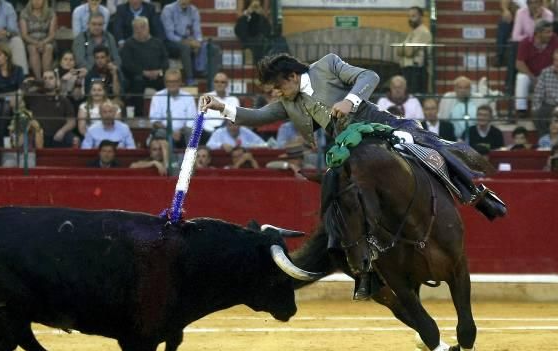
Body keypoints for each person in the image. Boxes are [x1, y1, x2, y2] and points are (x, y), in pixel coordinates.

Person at [200, 52, 507, 300]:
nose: (276, 94)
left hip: (380, 126)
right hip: (346, 147)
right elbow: (257, 116)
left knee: (427, 149)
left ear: (292, 76)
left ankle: (477, 194)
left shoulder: (327, 66)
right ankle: (361, 267)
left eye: (277, 87)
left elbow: (368, 76)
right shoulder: (289, 103)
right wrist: (220, 107)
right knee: (334, 195)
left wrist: (350, 100)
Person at [119, 15, 169, 116]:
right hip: (137, 77)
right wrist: (143, 72)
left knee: (166, 83)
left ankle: (165, 113)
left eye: (142, 27)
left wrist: (159, 71)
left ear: (148, 28)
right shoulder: (129, 44)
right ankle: (139, 115)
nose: (139, 30)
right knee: (137, 83)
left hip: (157, 76)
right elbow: (127, 64)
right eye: (136, 28)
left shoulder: (157, 43)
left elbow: (165, 61)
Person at [515, 19, 558, 116]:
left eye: (551, 31)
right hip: (532, 76)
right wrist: (533, 78)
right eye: (547, 32)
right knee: (521, 78)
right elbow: (519, 63)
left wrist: (546, 75)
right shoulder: (526, 42)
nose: (550, 34)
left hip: (549, 75)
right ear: (538, 33)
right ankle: (521, 110)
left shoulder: (554, 39)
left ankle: (548, 110)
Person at [22, 70, 77, 147]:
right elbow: (14, 104)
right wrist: (24, 86)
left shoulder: (63, 100)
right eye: (45, 78)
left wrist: (62, 131)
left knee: (74, 140)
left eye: (51, 78)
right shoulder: (33, 96)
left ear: (56, 81)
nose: (47, 81)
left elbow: (72, 122)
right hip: (38, 134)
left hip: (58, 134)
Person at [149, 68, 196, 148]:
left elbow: (191, 121)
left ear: (180, 82)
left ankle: (190, 159)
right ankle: (168, 160)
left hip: (183, 132)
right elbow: (155, 121)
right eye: (169, 82)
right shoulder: (158, 96)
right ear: (165, 83)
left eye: (175, 81)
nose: (172, 84)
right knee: (160, 133)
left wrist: (179, 131)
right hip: (165, 130)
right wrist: (170, 132)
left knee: (192, 132)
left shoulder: (188, 97)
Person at [396, 6, 431, 95]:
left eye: (414, 16)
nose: (411, 19)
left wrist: (403, 48)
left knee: (414, 96)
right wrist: (404, 48)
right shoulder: (412, 33)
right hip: (409, 69)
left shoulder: (423, 32)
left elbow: (409, 52)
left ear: (421, 17)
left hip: (417, 70)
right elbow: (398, 51)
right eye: (410, 16)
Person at [19, 0, 56, 79]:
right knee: (32, 48)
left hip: (47, 40)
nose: (36, 1)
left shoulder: (50, 13)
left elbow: (52, 34)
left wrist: (42, 43)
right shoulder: (24, 13)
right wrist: (36, 43)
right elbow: (24, 35)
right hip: (30, 41)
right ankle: (39, 80)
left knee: (48, 47)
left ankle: (46, 77)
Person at [201, 72, 240, 137]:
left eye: (222, 82)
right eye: (216, 82)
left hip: (227, 132)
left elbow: (233, 119)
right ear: (213, 83)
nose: (219, 84)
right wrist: (213, 131)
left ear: (227, 84)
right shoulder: (206, 97)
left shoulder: (234, 99)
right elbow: (202, 118)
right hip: (208, 131)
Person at [234, 0, 272, 65]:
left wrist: (261, 12)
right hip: (247, 30)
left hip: (259, 32)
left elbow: (267, 17)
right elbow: (238, 15)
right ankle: (249, 49)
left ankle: (255, 53)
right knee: (242, 24)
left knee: (261, 37)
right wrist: (248, 12)